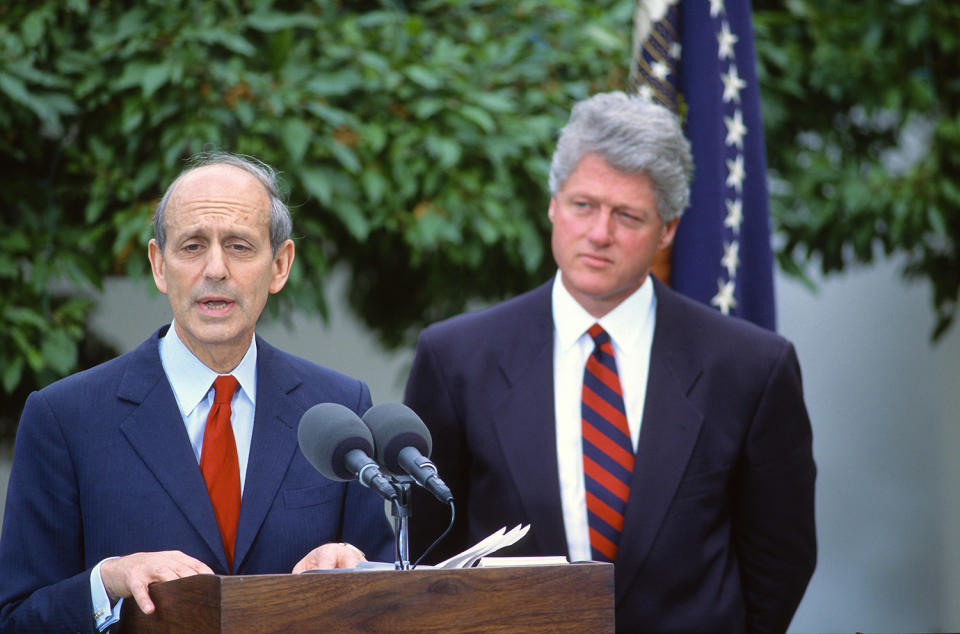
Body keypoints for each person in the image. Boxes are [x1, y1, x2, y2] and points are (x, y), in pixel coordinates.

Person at [404, 92, 816, 633]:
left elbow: (780, 560)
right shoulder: (456, 358)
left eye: (627, 215)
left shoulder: (750, 367)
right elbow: (429, 548)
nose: (600, 233)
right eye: (583, 206)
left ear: (667, 229)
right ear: (553, 204)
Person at [0, 153, 394, 632]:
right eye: (191, 246)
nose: (215, 269)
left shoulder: (337, 410)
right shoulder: (64, 417)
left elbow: (393, 601)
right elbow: (17, 618)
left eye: (240, 246)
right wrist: (108, 580)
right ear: (158, 265)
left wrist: (355, 571)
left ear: (280, 265)